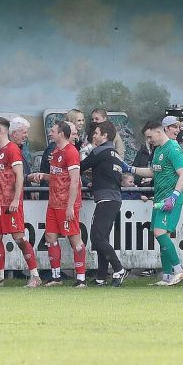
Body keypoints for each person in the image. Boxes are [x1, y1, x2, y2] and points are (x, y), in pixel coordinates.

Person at [122, 122, 183, 286]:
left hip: (170, 199)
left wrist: (173, 196)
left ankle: (179, 271)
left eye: (150, 136)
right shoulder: (158, 150)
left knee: (159, 233)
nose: (149, 140)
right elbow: (153, 171)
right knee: (162, 235)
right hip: (160, 199)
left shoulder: (173, 148)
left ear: (159, 132)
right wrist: (131, 169)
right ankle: (166, 276)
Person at [28, 121, 85, 287]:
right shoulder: (55, 151)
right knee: (50, 237)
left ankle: (81, 279)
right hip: (53, 202)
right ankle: (56, 276)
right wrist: (42, 176)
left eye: (53, 131)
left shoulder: (71, 152)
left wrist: (70, 206)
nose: (50, 133)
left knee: (74, 238)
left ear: (61, 134)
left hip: (66, 203)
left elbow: (75, 181)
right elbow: (58, 176)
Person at [0, 117, 40, 284]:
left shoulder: (12, 149)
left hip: (10, 203)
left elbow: (19, 176)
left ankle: (35, 275)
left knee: (19, 239)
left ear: (1, 131)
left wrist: (16, 199)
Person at [80, 121, 126, 286]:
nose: (94, 135)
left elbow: (80, 166)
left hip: (106, 199)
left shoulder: (100, 150)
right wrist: (97, 182)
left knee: (97, 238)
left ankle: (119, 269)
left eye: (97, 133)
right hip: (114, 198)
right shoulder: (114, 154)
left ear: (105, 135)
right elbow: (110, 176)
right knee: (103, 238)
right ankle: (101, 277)